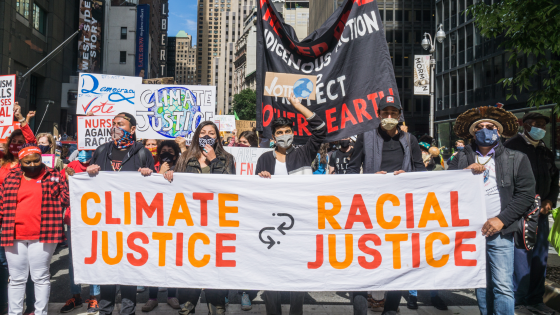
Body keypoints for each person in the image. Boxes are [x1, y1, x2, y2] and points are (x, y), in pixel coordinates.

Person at [448, 106, 536, 315]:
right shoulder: (459, 158)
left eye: (491, 126)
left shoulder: (517, 158)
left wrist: (501, 220)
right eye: (480, 127)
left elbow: (526, 195)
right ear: (472, 132)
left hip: (500, 231)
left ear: (499, 131)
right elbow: (445, 188)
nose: (486, 130)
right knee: (481, 282)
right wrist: (463, 174)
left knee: (503, 285)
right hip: (471, 232)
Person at [345, 95, 425, 315]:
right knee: (363, 262)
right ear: (378, 115)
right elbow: (351, 171)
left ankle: (390, 309)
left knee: (397, 262)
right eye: (385, 113)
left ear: (399, 115)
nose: (389, 117)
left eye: (393, 113)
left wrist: (407, 176)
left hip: (400, 213)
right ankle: (360, 310)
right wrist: (371, 178)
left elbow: (422, 173)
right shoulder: (365, 137)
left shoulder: (411, 140)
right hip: (369, 211)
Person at [256, 93, 326, 315]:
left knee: (298, 276)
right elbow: (254, 193)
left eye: (287, 131)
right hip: (272, 226)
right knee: (271, 277)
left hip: (299, 225)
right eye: (279, 133)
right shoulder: (264, 159)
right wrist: (262, 178)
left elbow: (321, 129)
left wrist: (298, 106)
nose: (284, 135)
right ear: (273, 137)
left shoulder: (304, 153)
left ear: (293, 134)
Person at [87, 112, 155, 315]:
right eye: (114, 124)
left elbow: (153, 193)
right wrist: (89, 172)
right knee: (107, 269)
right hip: (105, 221)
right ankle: (105, 310)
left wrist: (148, 175)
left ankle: (128, 311)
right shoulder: (101, 151)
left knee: (128, 270)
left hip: (132, 222)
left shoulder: (143, 154)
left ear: (132, 129)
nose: (116, 127)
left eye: (121, 124)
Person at [166, 121, 234, 315]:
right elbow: (177, 185)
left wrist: (214, 161)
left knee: (215, 270)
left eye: (211, 133)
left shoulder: (227, 158)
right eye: (203, 132)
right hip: (190, 223)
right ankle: (188, 304)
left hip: (216, 224)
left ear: (217, 138)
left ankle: (217, 305)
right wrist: (170, 175)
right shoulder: (186, 158)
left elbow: (230, 187)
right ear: (196, 136)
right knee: (190, 268)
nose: (207, 135)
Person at [0, 144, 69, 315]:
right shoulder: (10, 177)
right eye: (27, 162)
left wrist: (70, 180)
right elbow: (2, 204)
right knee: (16, 279)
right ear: (20, 161)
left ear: (41, 158)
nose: (32, 165)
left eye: (35, 161)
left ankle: (40, 312)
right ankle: (14, 313)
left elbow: (67, 199)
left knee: (40, 277)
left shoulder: (54, 175)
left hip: (44, 234)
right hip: (14, 234)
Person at [504, 112, 559, 315]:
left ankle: (535, 300)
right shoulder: (510, 147)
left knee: (539, 258)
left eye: (543, 125)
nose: (540, 128)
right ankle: (517, 301)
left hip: (541, 214)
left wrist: (549, 200)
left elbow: (554, 180)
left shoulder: (546, 151)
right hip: (519, 213)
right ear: (525, 126)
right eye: (535, 124)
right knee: (520, 257)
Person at [60, 150, 101, 314]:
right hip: (74, 219)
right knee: (73, 260)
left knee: (94, 256)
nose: (84, 153)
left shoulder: (101, 164)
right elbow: (63, 194)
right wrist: (69, 180)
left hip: (95, 218)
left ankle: (94, 297)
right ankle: (75, 296)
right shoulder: (70, 166)